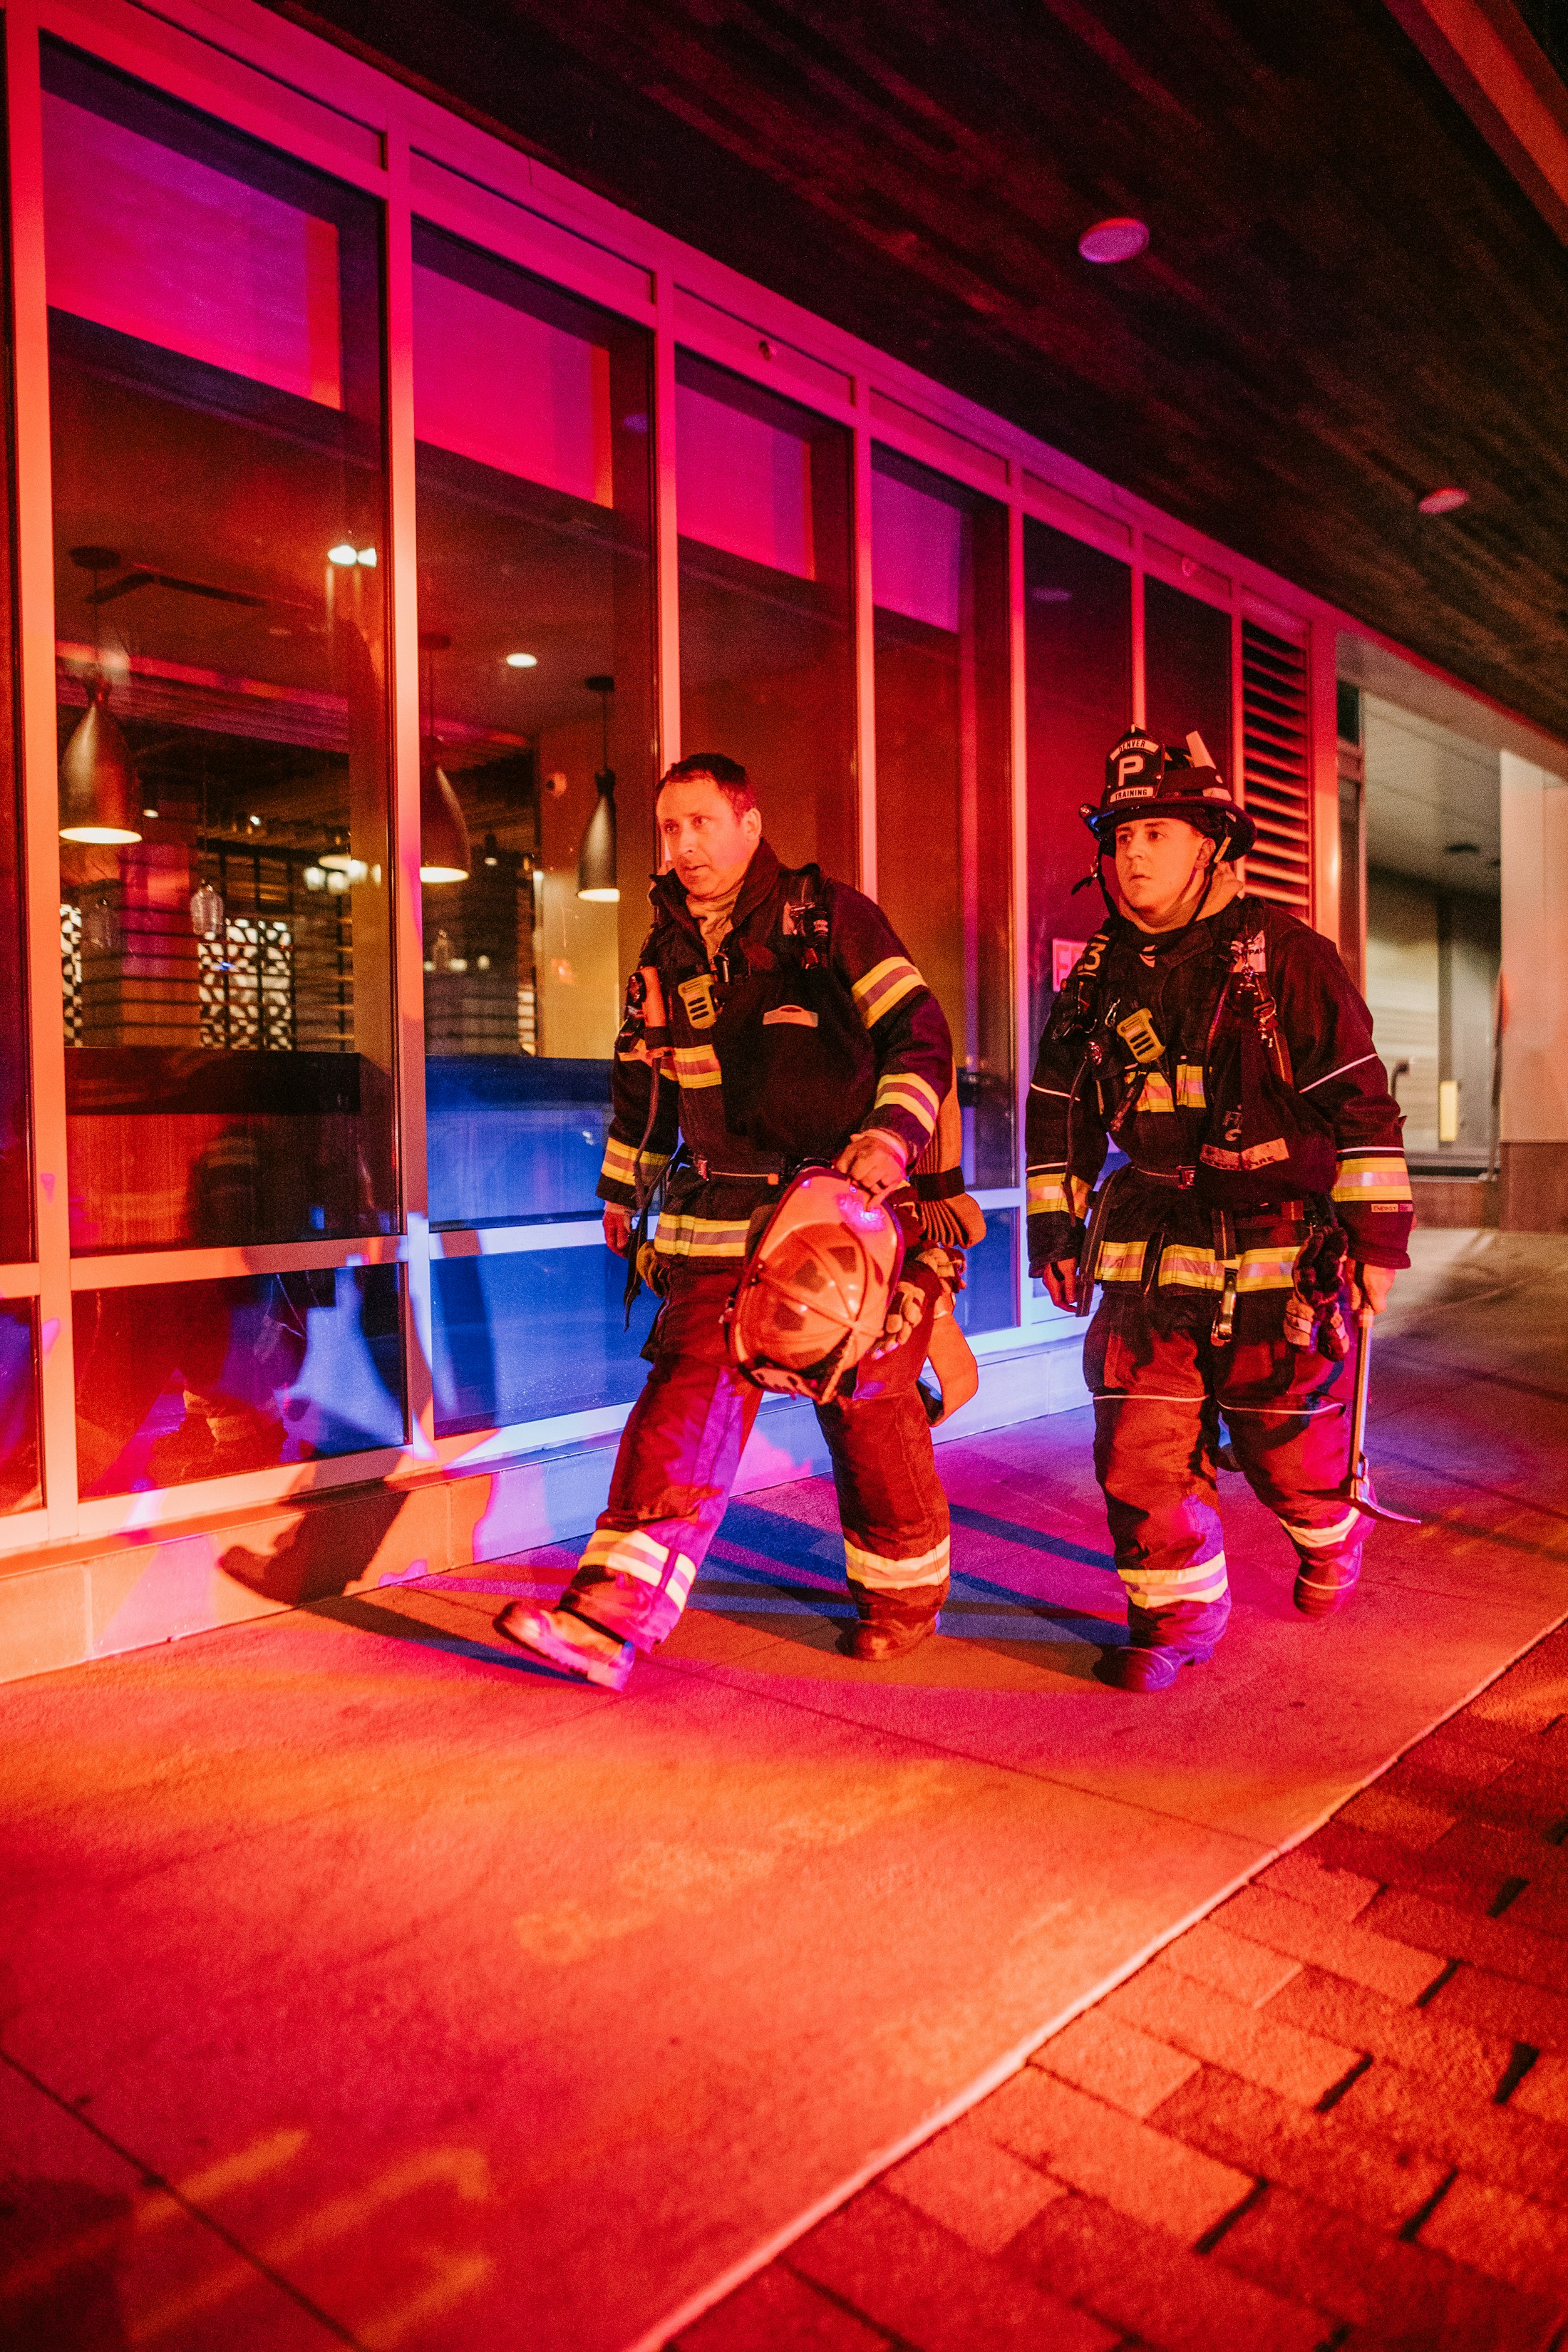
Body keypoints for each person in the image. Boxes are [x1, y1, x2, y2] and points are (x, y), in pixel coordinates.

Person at [495, 753, 981, 1691]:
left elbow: (918, 1033)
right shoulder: (663, 955)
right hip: (718, 1217)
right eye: (669, 829)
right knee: (686, 1397)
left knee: (867, 1405)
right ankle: (610, 1619)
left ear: (748, 826)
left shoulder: (828, 917)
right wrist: (624, 1189)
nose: (682, 846)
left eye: (700, 823)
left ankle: (904, 1594)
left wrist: (889, 1141)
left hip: (842, 1211)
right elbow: (642, 1088)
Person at [1026, 727, 1413, 1693]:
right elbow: (1059, 1104)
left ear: (1213, 844)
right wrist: (1055, 1229)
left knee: (1284, 1447)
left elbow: (1361, 1103)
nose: (1132, 855)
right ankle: (1175, 1624)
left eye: (1157, 833)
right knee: (1139, 1451)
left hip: (1277, 1246)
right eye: (1119, 838)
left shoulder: (1286, 957)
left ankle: (1330, 1529)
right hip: (1148, 1247)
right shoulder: (1099, 971)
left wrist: (1375, 1243)